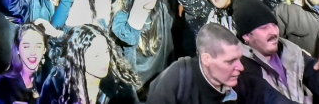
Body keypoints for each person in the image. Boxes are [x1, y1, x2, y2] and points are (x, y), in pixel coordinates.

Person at [149, 24, 287, 104]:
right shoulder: (176, 81)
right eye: (230, 61)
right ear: (206, 60)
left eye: (239, 58)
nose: (240, 67)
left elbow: (271, 97)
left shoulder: (244, 74)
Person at [36, 24, 140, 104]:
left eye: (106, 52)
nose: (104, 60)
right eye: (96, 55)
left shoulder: (122, 89)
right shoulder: (58, 81)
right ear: (78, 57)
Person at [0, 24, 49, 104]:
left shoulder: (49, 83)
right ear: (17, 49)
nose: (33, 52)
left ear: (44, 50)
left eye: (38, 46)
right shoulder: (1, 85)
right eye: (26, 46)